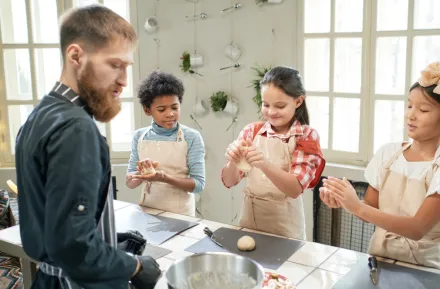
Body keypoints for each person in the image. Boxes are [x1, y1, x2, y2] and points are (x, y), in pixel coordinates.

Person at [15, 5, 161, 289]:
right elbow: (73, 247)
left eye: (126, 67)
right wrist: (135, 266)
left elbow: (56, 228)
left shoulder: (40, 115)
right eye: (114, 64)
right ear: (76, 56)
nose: (123, 81)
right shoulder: (76, 129)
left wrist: (108, 239)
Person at [321, 62, 440, 269]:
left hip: (426, 270)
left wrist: (356, 206)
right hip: (378, 263)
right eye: (409, 105)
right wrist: (343, 201)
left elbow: (418, 228)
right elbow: (370, 209)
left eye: (423, 109)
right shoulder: (388, 154)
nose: (410, 115)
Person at [221, 66, 326, 239]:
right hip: (249, 222)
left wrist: (263, 164)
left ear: (298, 101)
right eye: (265, 104)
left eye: (280, 105)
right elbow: (229, 181)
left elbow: (294, 189)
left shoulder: (306, 136)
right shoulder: (251, 131)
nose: (271, 112)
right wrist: (233, 161)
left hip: (286, 230)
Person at [126, 70, 205, 217]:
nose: (170, 114)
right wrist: (141, 172)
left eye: (174, 107)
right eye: (162, 109)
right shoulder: (140, 136)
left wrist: (163, 178)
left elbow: (198, 184)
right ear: (147, 110)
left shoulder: (191, 137)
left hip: (181, 215)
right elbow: (130, 183)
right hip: (147, 211)